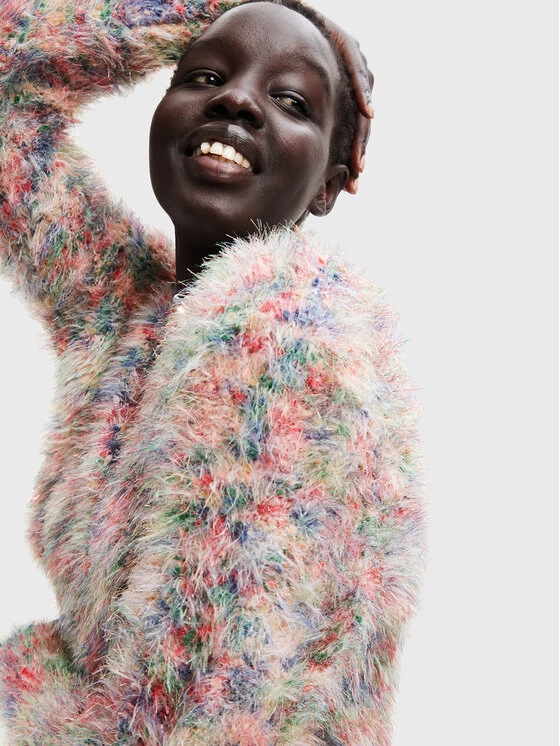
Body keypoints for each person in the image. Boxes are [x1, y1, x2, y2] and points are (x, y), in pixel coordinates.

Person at [0, 0, 427, 744]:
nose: (236, 101)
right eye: (203, 75)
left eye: (291, 100)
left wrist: (29, 697)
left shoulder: (287, 334)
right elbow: (10, 83)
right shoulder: (123, 312)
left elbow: (202, 707)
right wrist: (204, 5)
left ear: (328, 186)